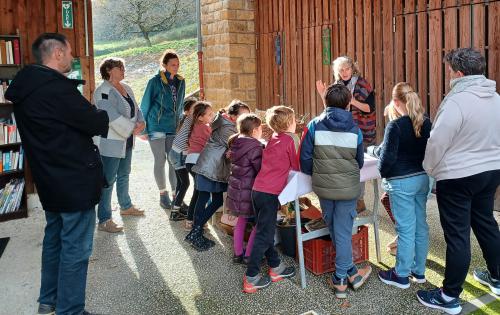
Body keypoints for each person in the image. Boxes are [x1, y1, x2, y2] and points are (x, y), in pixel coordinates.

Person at [5, 33, 109, 315]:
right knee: (76, 249)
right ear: (58, 54)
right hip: (73, 180)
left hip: (49, 179)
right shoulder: (56, 89)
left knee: (54, 240)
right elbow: (93, 121)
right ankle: (71, 310)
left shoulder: (26, 86)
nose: (73, 57)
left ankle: (48, 300)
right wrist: (100, 115)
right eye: (71, 52)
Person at [417, 48, 500, 315]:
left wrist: (430, 168)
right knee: (486, 222)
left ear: (460, 73)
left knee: (458, 235)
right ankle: (497, 277)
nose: (450, 75)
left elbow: (438, 141)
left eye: (451, 70)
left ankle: (449, 295)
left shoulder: (456, 101)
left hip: (458, 176)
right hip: (491, 172)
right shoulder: (496, 98)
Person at [300, 84, 372, 299]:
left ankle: (345, 273)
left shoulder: (314, 125)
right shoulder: (355, 129)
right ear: (348, 103)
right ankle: (344, 276)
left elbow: (304, 159)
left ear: (326, 101)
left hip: (323, 186)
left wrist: (318, 171)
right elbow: (359, 161)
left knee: (334, 226)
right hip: (348, 187)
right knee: (341, 229)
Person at [375, 82, 432, 289]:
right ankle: (419, 271)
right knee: (420, 227)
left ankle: (400, 275)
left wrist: (385, 174)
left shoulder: (395, 126)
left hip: (401, 181)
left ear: (396, 102)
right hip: (422, 178)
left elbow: (386, 161)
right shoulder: (426, 122)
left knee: (406, 229)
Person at [243, 105, 298, 294]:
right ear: (290, 123)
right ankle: (251, 277)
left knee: (265, 230)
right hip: (269, 194)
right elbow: (297, 165)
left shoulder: (272, 138)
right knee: (264, 234)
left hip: (257, 191)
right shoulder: (290, 140)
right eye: (294, 119)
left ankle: (276, 267)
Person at [186, 100, 250, 251]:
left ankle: (197, 229)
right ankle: (195, 232)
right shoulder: (226, 128)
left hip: (214, 167)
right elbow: (238, 145)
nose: (246, 119)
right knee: (204, 198)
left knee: (215, 201)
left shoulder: (228, 125)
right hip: (210, 167)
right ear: (232, 115)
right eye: (243, 115)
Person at [316, 56, 376, 213]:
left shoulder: (363, 84)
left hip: (361, 132)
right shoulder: (336, 86)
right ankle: (346, 197)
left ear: (352, 68)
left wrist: (352, 100)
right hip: (341, 132)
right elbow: (330, 109)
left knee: (359, 165)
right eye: (340, 70)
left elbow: (370, 108)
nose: (344, 72)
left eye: (347, 69)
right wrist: (323, 96)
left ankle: (360, 200)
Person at [93, 57, 146, 233]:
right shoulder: (103, 91)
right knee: (108, 180)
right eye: (120, 67)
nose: (124, 70)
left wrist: (141, 122)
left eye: (123, 67)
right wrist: (132, 128)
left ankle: (126, 206)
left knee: (124, 174)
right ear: (109, 70)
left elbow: (137, 109)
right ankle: (104, 219)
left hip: (127, 139)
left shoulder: (127, 87)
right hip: (110, 142)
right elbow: (110, 115)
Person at [140, 49, 185, 210]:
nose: (176, 67)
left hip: (173, 127)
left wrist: (181, 125)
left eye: (177, 64)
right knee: (160, 160)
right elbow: (144, 105)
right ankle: (162, 194)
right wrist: (142, 129)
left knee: (174, 161)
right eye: (172, 64)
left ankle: (175, 194)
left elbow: (180, 106)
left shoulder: (180, 81)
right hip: (156, 126)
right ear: (164, 65)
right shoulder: (155, 81)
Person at [226, 113, 264, 264]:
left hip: (237, 190)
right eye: (260, 128)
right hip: (249, 191)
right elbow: (259, 169)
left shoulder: (235, 142)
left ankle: (237, 254)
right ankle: (249, 255)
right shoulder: (255, 146)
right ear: (254, 130)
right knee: (259, 222)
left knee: (240, 221)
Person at [184, 101, 214, 230]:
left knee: (197, 192)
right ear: (200, 117)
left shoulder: (195, 125)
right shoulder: (204, 127)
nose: (212, 116)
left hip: (190, 161)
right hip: (198, 161)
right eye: (209, 114)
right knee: (202, 193)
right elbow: (213, 141)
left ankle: (190, 220)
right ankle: (196, 221)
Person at [167, 97, 198, 221]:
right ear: (189, 110)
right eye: (195, 108)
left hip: (174, 152)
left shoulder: (184, 118)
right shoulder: (190, 119)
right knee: (186, 183)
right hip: (179, 154)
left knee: (181, 183)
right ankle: (174, 212)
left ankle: (177, 207)